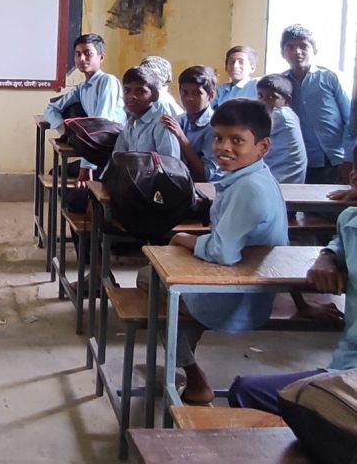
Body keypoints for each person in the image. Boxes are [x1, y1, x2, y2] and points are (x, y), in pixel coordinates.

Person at [152, 99, 288, 404]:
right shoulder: (257, 176)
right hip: (252, 285)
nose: (223, 147)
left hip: (237, 298)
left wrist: (185, 239)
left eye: (237, 140)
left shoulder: (249, 188)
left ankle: (194, 375)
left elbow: (222, 252)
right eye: (218, 138)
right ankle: (185, 357)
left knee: (149, 281)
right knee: (169, 280)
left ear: (263, 147)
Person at [228, 161, 357, 413]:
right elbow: (339, 241)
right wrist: (327, 256)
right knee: (247, 391)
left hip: (346, 387)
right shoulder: (349, 221)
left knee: (247, 394)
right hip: (344, 372)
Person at [43, 33, 125, 184]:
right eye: (78, 54)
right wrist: (62, 128)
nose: (81, 59)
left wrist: (86, 168)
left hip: (110, 154)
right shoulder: (82, 88)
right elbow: (50, 109)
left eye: (88, 54)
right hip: (94, 151)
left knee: (73, 192)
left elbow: (100, 129)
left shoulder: (108, 82)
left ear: (101, 57)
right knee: (56, 174)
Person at [281, 24, 354, 184]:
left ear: (314, 50)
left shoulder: (330, 78)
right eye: (290, 47)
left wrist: (349, 158)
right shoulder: (280, 84)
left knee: (338, 207)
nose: (297, 52)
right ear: (283, 53)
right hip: (300, 162)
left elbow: (351, 120)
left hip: (336, 160)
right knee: (308, 206)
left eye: (303, 46)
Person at [160, 65, 219, 181]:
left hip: (204, 190)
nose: (189, 98)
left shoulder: (214, 127)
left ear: (211, 95)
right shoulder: (180, 120)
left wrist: (181, 137)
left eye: (197, 93)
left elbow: (207, 174)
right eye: (185, 92)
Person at [111, 66, 181, 159]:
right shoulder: (129, 126)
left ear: (154, 95)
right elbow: (117, 159)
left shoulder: (161, 124)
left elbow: (171, 165)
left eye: (140, 91)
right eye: (127, 90)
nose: (132, 96)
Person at [256, 74, 307, 184]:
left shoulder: (280, 116)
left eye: (271, 97)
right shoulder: (290, 114)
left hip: (283, 182)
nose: (263, 102)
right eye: (260, 96)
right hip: (281, 178)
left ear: (287, 100)